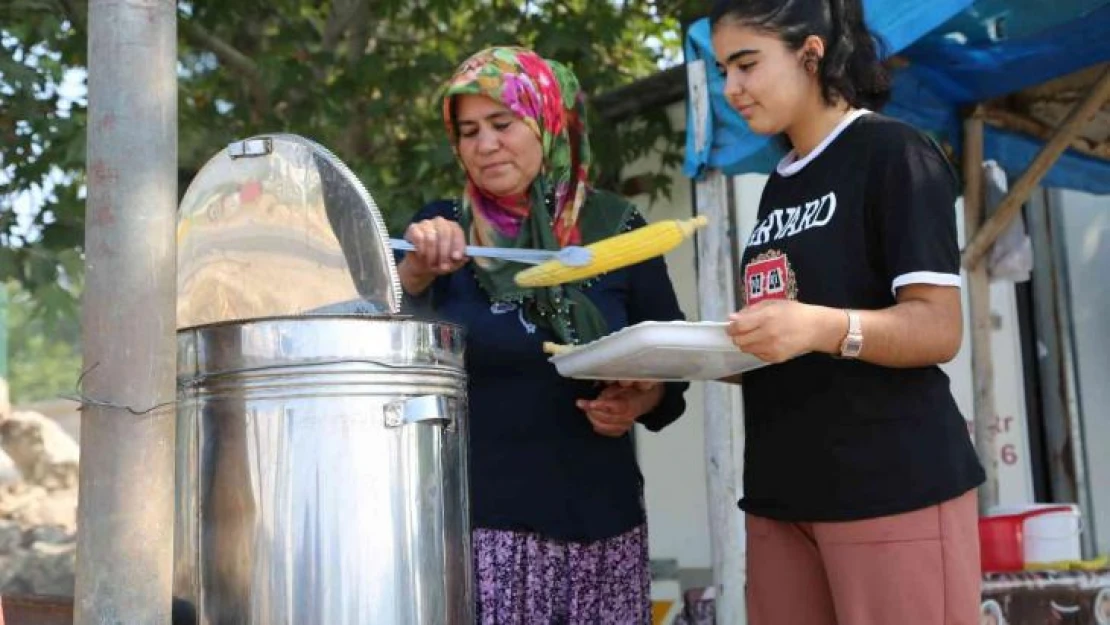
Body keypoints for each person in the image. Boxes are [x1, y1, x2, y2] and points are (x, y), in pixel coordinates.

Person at [709, 0, 986, 623]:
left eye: (747, 64)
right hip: (783, 496)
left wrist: (818, 326)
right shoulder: (780, 182)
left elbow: (938, 328)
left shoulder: (895, 153)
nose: (732, 88)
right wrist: (695, 355)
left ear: (810, 53)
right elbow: (792, 340)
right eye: (724, 69)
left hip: (889, 487)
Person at [396, 46, 689, 624]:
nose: (485, 145)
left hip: (602, 530)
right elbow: (386, 352)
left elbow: (673, 368)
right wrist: (415, 273)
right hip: (479, 533)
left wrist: (638, 398)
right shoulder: (442, 233)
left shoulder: (614, 228)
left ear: (548, 122)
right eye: (469, 131)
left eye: (503, 124)